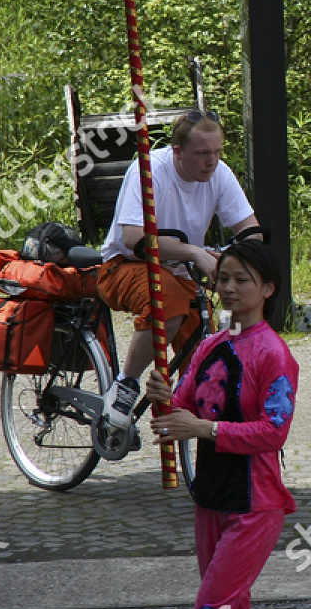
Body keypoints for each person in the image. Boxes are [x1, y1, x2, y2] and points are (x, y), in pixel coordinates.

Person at [144, 238, 297, 609]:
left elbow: (274, 432)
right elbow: (181, 412)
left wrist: (204, 428)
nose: (229, 288)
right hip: (211, 498)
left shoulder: (274, 354)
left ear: (267, 289)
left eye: (241, 280)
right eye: (223, 278)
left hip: (254, 505)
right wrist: (163, 398)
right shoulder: (211, 345)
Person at [98, 110, 258, 430]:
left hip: (180, 272)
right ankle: (126, 384)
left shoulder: (219, 173)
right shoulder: (149, 171)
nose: (211, 162)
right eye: (202, 154)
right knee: (168, 300)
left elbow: (251, 230)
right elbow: (133, 238)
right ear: (178, 152)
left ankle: (206, 438)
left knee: (209, 361)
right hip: (126, 265)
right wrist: (194, 253)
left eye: (216, 152)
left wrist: (241, 262)